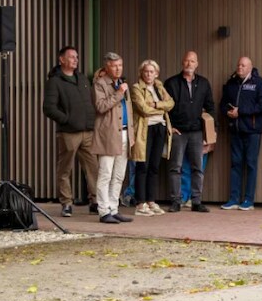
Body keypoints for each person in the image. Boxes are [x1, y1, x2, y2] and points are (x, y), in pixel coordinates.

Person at [43, 46, 98, 217]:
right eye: (72, 57)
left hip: (87, 131)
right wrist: (67, 120)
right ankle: (66, 203)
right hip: (68, 132)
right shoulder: (55, 81)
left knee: (92, 167)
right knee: (65, 168)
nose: (75, 60)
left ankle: (95, 201)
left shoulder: (81, 78)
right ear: (62, 60)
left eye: (77, 57)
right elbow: (48, 108)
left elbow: (89, 101)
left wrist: (90, 121)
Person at [164, 51, 214, 213]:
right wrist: (169, 126)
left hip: (197, 132)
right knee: (175, 167)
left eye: (192, 61)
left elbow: (210, 108)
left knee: (197, 168)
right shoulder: (171, 83)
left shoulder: (204, 83)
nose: (189, 64)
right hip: (178, 132)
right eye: (186, 61)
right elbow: (164, 108)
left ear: (197, 64)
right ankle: (175, 201)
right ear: (182, 62)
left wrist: (210, 134)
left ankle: (196, 201)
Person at [220, 56, 262, 211]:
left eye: (243, 65)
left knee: (250, 164)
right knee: (235, 164)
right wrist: (228, 112)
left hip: (252, 131)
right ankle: (234, 199)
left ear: (250, 67)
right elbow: (222, 103)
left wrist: (241, 112)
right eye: (238, 65)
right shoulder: (231, 83)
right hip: (235, 130)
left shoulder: (258, 83)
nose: (239, 67)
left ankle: (248, 200)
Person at [91, 52, 133, 224]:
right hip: (108, 135)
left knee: (119, 175)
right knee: (105, 173)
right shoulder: (100, 84)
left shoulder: (121, 83)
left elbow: (128, 110)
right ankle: (103, 210)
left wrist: (132, 133)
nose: (118, 69)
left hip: (124, 133)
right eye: (115, 66)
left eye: (120, 65)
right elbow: (101, 107)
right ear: (106, 67)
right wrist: (119, 94)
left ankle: (114, 208)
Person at [130, 60, 174, 217]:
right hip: (145, 130)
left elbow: (171, 103)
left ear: (157, 73)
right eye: (146, 71)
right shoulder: (136, 88)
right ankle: (140, 203)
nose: (149, 74)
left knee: (154, 167)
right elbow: (142, 109)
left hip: (160, 128)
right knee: (143, 166)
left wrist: (156, 104)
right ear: (141, 73)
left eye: (152, 71)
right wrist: (161, 109)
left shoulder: (159, 87)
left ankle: (151, 201)